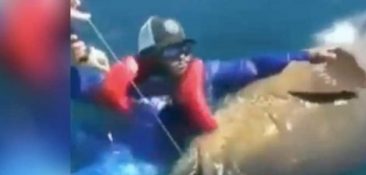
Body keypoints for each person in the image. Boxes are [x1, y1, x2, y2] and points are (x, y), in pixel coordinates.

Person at [72, 16, 336, 137]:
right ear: (151, 57)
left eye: (185, 48)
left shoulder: (209, 74)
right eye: (173, 50)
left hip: (169, 146)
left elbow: (255, 66)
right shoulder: (129, 83)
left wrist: (305, 56)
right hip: (132, 131)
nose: (183, 56)